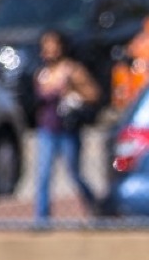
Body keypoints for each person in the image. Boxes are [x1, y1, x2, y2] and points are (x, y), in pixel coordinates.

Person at [30, 30, 101, 222]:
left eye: (53, 45)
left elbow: (94, 94)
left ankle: (96, 207)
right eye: (46, 46)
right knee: (43, 174)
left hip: (68, 130)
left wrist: (73, 94)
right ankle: (42, 219)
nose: (49, 50)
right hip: (47, 130)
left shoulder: (72, 70)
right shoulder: (42, 73)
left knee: (74, 173)